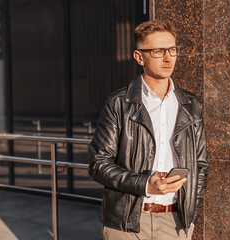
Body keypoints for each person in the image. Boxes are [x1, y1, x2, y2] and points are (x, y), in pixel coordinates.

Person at [88, 19, 208, 240]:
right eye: (158, 51)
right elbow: (98, 164)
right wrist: (145, 184)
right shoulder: (119, 103)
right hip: (126, 222)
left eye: (172, 49)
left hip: (175, 221)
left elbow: (200, 165)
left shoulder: (191, 105)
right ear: (139, 57)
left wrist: (191, 215)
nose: (168, 57)